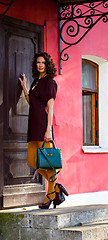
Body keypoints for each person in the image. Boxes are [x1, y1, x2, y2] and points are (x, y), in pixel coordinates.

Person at [19, 52, 68, 209]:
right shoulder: (36, 82)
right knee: (32, 160)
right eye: (38, 62)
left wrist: (49, 130)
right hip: (33, 124)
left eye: (43, 63)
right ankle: (57, 187)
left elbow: (51, 107)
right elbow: (31, 102)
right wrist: (25, 88)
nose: (40, 65)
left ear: (48, 65)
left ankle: (50, 195)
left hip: (42, 124)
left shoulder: (49, 82)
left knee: (47, 164)